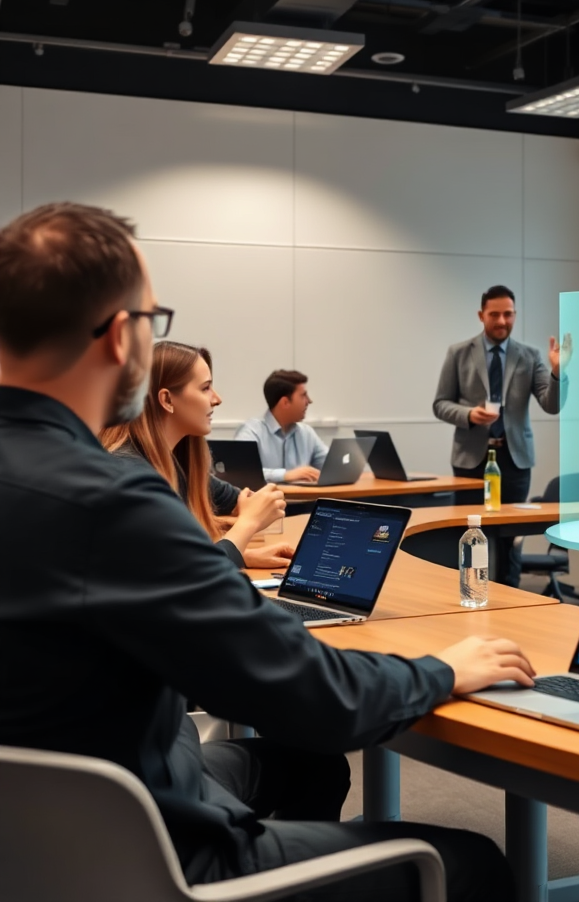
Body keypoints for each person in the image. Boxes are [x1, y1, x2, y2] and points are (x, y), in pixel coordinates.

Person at [0, 202, 534, 902]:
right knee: (472, 863)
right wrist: (440, 670)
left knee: (307, 766)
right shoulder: (115, 503)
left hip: (44, 834)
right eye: (151, 321)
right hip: (152, 850)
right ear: (117, 337)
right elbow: (309, 695)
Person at [102, 340, 293, 570]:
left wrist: (242, 552)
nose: (217, 399)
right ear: (167, 400)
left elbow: (241, 503)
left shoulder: (176, 464)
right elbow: (192, 576)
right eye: (205, 388)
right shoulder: (131, 476)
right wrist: (247, 525)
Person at [433, 285, 572, 585]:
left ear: (515, 315)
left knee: (509, 535)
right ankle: (470, 591)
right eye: (494, 314)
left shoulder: (529, 355)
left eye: (508, 314)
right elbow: (440, 404)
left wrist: (558, 372)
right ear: (481, 315)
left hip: (514, 460)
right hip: (470, 460)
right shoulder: (459, 353)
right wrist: (469, 415)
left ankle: (509, 594)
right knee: (471, 533)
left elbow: (551, 404)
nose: (501, 321)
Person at [236, 370, 328, 483]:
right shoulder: (251, 431)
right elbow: (242, 471)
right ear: (285, 402)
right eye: (303, 395)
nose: (309, 401)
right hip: (269, 500)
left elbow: (331, 466)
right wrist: (285, 475)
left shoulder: (307, 433)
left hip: (306, 500)